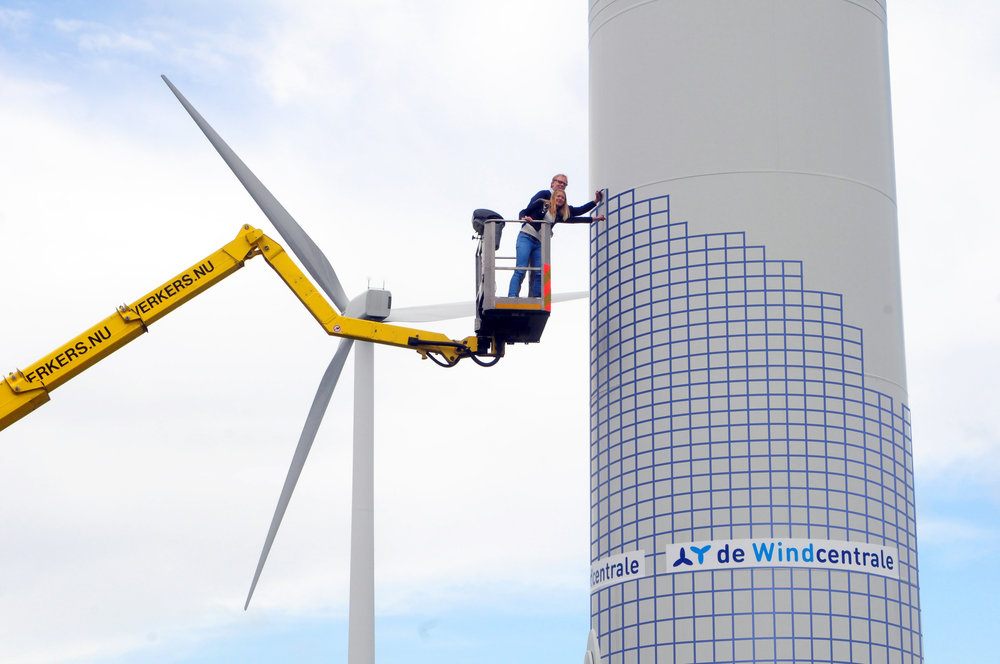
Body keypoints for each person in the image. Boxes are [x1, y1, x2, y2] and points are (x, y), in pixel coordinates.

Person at [508, 189, 606, 297]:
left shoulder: (559, 215)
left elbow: (578, 214)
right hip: (526, 236)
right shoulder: (542, 203)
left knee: (540, 273)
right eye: (558, 196)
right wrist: (524, 217)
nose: (560, 199)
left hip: (539, 243)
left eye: (563, 198)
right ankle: (512, 295)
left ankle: (536, 299)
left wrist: (595, 207)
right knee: (521, 269)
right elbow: (524, 211)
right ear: (553, 197)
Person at [522, 173, 603, 218]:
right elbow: (529, 209)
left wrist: (595, 201)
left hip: (543, 236)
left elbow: (578, 211)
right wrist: (526, 219)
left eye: (564, 184)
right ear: (552, 183)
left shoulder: (561, 205)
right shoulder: (543, 194)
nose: (562, 185)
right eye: (560, 182)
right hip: (530, 231)